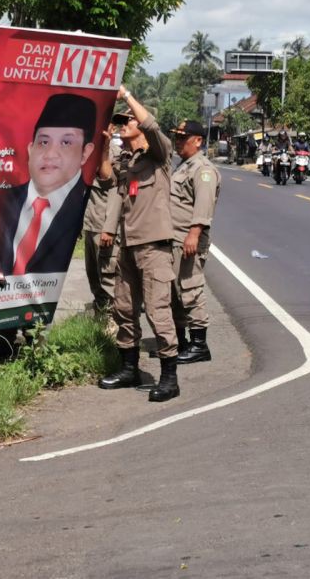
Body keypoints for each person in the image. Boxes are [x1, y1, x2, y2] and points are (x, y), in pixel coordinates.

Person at [97, 86, 181, 403]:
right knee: (125, 309)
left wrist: (127, 96)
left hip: (154, 246)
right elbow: (107, 178)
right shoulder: (130, 163)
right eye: (120, 122)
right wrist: (105, 145)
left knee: (158, 311)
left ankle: (169, 377)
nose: (122, 125)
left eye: (126, 121)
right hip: (129, 245)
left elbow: (152, 126)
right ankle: (129, 368)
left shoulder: (159, 155)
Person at [0, 93, 97, 275]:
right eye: (43, 142)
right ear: (30, 149)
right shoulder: (0, 199)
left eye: (66, 142)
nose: (50, 154)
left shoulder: (88, 202)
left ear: (85, 153)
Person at [169, 119, 221, 364]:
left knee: (190, 289)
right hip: (174, 238)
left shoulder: (203, 169)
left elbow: (203, 204)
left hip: (187, 239)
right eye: (176, 137)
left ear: (198, 141)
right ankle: (181, 342)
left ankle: (200, 345)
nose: (178, 142)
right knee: (176, 292)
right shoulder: (183, 166)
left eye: (183, 138)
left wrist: (194, 233)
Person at [83, 143, 121, 314]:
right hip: (90, 224)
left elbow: (116, 192)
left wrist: (110, 228)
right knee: (93, 274)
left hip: (103, 226)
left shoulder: (115, 154)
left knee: (107, 276)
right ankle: (101, 314)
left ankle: (112, 320)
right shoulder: (85, 149)